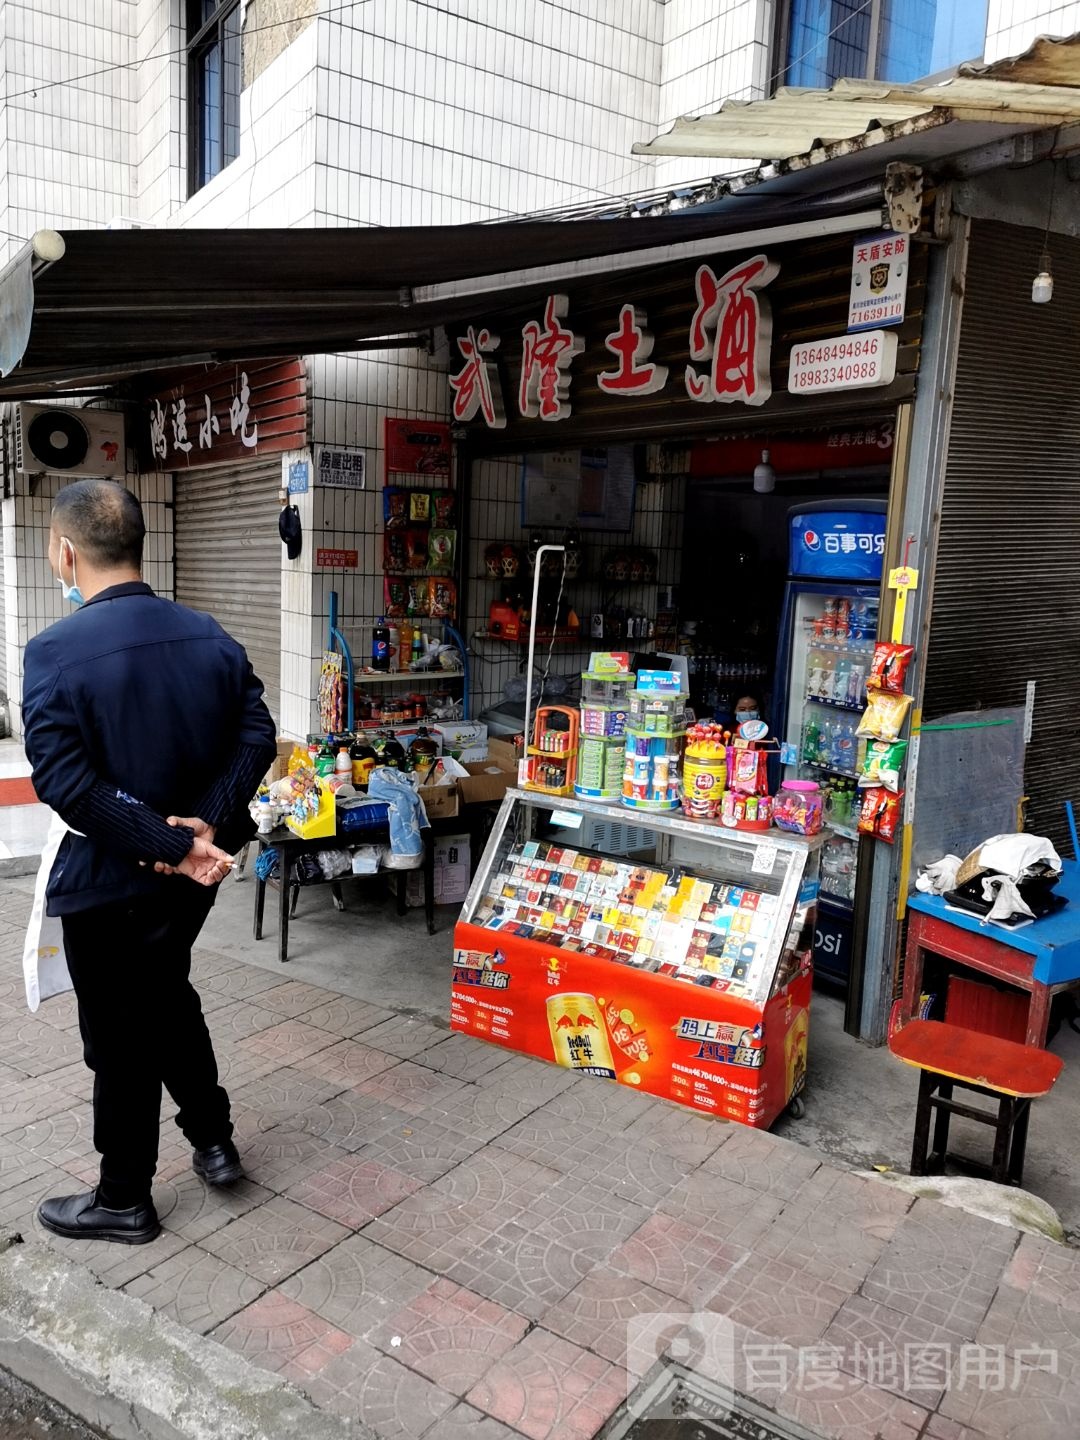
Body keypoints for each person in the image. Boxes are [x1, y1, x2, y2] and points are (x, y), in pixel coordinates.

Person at [22, 479, 277, 1245]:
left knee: (120, 1034)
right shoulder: (208, 634)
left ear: (66, 552)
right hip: (187, 883)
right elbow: (256, 737)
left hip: (110, 881)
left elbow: (67, 786)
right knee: (164, 995)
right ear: (138, 543)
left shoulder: (54, 652)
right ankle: (213, 1139)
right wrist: (204, 831)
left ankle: (124, 1197)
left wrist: (176, 841)